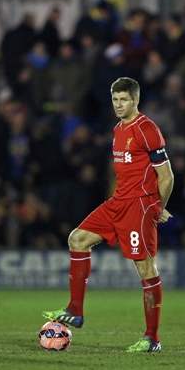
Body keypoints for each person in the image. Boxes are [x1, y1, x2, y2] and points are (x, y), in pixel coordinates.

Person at [42, 77, 175, 353]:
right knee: (77, 239)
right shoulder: (117, 129)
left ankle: (152, 338)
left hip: (139, 205)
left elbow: (167, 176)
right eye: (115, 99)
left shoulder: (146, 128)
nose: (118, 104)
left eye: (123, 99)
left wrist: (157, 208)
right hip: (117, 203)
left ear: (135, 100)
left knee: (146, 269)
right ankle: (75, 310)